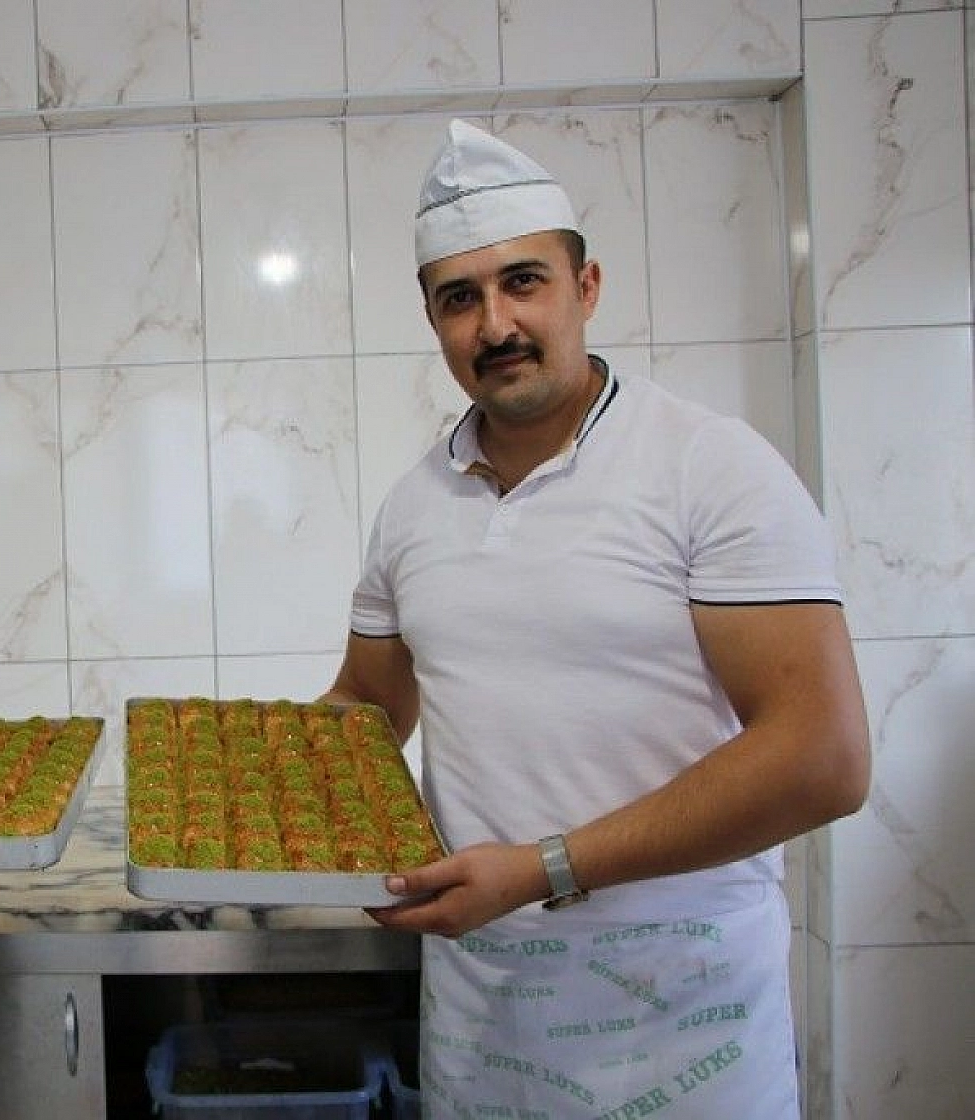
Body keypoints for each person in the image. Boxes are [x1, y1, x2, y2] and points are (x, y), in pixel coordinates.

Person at [323, 121, 870, 1118]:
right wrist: (230, 784)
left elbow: (820, 755)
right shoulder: (413, 506)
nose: (494, 324)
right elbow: (363, 707)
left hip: (682, 1027)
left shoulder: (709, 466)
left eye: (521, 281)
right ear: (433, 321)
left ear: (586, 287)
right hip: (487, 1018)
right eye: (459, 298)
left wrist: (541, 867)